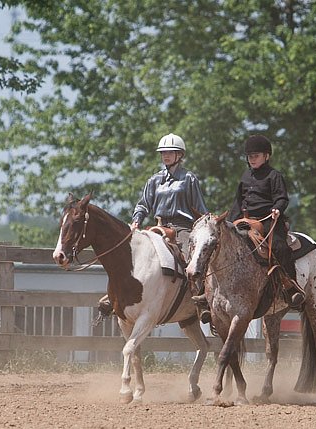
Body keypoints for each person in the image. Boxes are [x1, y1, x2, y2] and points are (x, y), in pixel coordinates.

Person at [98, 133, 209, 318]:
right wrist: (136, 221)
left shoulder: (189, 178)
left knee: (192, 260)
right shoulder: (154, 180)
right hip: (157, 226)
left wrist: (204, 225)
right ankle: (115, 295)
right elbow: (143, 204)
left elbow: (199, 207)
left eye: (170, 152)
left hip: (182, 228)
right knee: (130, 254)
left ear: (179, 155)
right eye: (163, 152)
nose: (165, 155)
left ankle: (201, 300)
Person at [226, 134, 305, 308]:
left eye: (256, 156)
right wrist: (230, 222)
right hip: (245, 219)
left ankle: (291, 288)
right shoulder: (245, 176)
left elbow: (282, 198)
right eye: (249, 156)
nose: (252, 159)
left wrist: (277, 208)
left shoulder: (274, 175)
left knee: (279, 247)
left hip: (269, 219)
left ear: (266, 156)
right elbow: (238, 201)